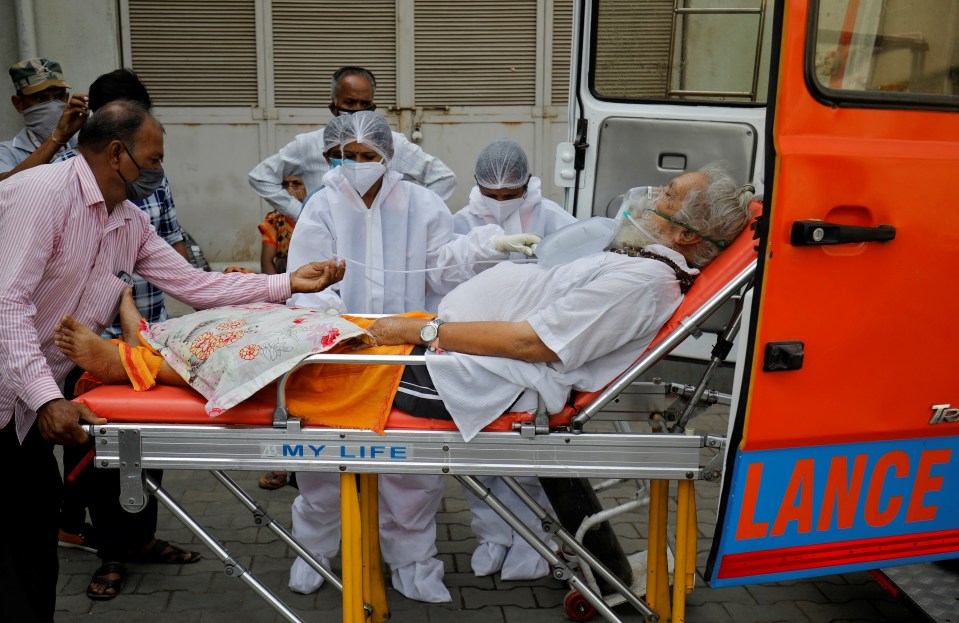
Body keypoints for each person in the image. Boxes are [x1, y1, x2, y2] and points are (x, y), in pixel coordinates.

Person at [52, 162, 754, 606]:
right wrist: (421, 327)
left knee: (305, 353)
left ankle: (134, 364)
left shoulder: (641, 279)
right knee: (296, 324)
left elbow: (538, 342)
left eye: (664, 194)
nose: (647, 195)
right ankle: (154, 351)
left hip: (472, 377)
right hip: (459, 359)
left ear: (689, 236)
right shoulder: (641, 266)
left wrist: (421, 333)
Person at [0, 99, 344, 620]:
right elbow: (7, 305)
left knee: (31, 534)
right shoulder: (42, 194)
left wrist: (288, 282)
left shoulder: (126, 221)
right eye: (154, 158)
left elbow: (194, 284)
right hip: (15, 391)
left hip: (26, 400)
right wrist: (49, 398)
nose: (160, 170)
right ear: (117, 154)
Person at [283, 110, 538, 603]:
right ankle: (312, 552)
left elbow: (443, 267)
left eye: (368, 156)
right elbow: (307, 285)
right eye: (347, 156)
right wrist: (341, 328)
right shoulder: (321, 208)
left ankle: (414, 567)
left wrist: (490, 244)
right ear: (331, 156)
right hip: (340, 353)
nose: (358, 165)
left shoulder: (421, 205)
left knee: (411, 472)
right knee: (319, 470)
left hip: (408, 352)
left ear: (388, 155)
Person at [50, 68, 210, 598]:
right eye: (151, 153)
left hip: (149, 334)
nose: (156, 165)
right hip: (84, 343)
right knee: (99, 452)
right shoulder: (58, 184)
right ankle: (110, 552)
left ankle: (141, 539)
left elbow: (180, 261)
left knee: (152, 447)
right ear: (109, 144)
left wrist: (227, 299)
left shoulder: (145, 192)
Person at [453, 137, 578, 580]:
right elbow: (441, 276)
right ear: (478, 185)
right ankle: (492, 534)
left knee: (530, 452)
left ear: (528, 184)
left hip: (533, 346)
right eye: (493, 195)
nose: (502, 203)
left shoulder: (555, 218)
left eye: (512, 195)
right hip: (474, 345)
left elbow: (578, 274)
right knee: (480, 451)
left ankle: (534, 538)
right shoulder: (460, 223)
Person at [248, 66, 457, 220]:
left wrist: (410, 218)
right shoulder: (310, 143)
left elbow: (442, 178)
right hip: (327, 241)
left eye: (364, 104)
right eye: (349, 102)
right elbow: (261, 177)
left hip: (381, 240)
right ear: (333, 107)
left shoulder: (393, 143)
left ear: (373, 108)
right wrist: (299, 212)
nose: (357, 109)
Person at [0, 57, 90, 180]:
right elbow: (5, 187)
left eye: (59, 97)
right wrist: (58, 137)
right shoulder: (7, 153)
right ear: (19, 103)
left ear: (67, 97)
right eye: (40, 99)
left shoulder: (84, 144)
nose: (53, 108)